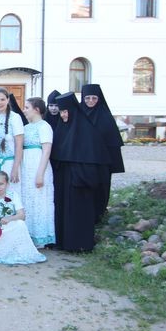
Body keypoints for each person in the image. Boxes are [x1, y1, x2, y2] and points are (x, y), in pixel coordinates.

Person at [51, 92, 111, 252]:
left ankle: (80, 245)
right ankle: (62, 242)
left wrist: (79, 172)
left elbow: (94, 158)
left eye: (66, 111)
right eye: (61, 112)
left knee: (79, 213)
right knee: (62, 211)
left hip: (80, 182)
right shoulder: (61, 129)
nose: (63, 115)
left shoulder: (87, 131)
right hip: (63, 180)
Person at [0, 171, 46, 265]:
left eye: (1, 184)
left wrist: (9, 218)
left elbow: (22, 215)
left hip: (9, 227)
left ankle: (13, 252)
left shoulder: (13, 196)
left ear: (7, 184)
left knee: (20, 224)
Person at [80, 84, 125, 222]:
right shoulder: (78, 115)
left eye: (94, 98)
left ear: (99, 99)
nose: (91, 101)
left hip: (102, 162)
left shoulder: (105, 116)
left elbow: (112, 142)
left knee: (102, 187)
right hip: (83, 161)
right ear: (83, 98)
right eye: (87, 98)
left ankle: (100, 214)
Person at [21, 97, 56, 248]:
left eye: (27, 107)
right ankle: (27, 234)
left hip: (38, 166)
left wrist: (40, 173)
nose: (24, 110)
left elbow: (46, 150)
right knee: (27, 200)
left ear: (36, 109)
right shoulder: (26, 127)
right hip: (26, 167)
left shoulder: (44, 127)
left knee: (39, 200)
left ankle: (40, 236)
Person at [0, 87, 24, 194]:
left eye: (2, 99)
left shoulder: (15, 117)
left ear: (8, 100)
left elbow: (19, 145)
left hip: (9, 164)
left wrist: (15, 168)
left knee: (10, 195)